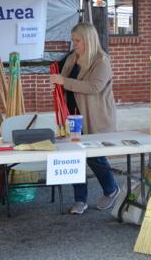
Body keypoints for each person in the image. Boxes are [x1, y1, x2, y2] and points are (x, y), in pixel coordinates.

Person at [50, 22, 120, 215]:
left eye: (78, 40)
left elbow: (93, 87)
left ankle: (111, 189)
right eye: (73, 40)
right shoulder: (74, 57)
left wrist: (64, 82)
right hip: (72, 115)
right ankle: (80, 199)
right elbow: (62, 79)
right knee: (74, 156)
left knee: (95, 157)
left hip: (93, 117)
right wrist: (58, 85)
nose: (75, 44)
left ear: (88, 40)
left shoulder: (101, 61)